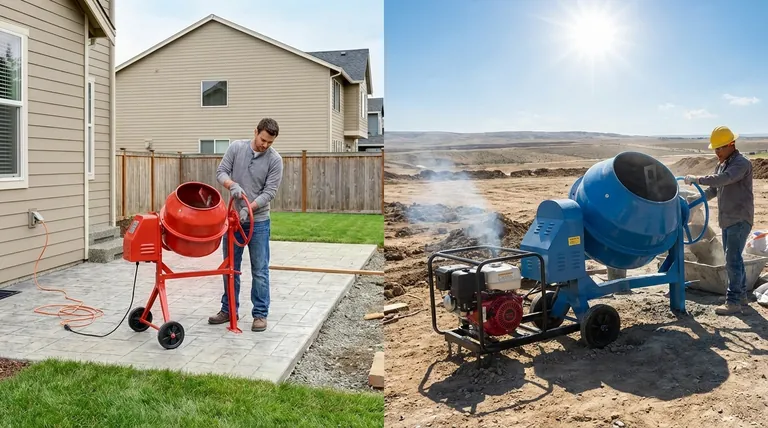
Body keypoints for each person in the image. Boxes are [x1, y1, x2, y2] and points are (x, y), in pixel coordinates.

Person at [209, 118, 284, 331]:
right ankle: (228, 310)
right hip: (233, 222)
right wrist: (231, 185)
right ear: (255, 132)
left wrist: (248, 208)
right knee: (230, 268)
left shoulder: (275, 160)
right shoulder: (236, 148)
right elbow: (221, 172)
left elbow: (270, 192)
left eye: (270, 142)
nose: (265, 145)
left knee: (259, 269)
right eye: (263, 140)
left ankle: (260, 314)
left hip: (258, 222)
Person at [684, 125, 754, 315]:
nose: (717, 152)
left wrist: (697, 179)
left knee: (732, 260)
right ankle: (742, 299)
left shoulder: (741, 164)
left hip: (739, 218)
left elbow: (723, 179)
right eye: (715, 148)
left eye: (720, 148)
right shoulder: (722, 164)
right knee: (735, 259)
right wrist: (695, 202)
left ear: (732, 144)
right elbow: (713, 190)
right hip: (727, 219)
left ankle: (733, 302)